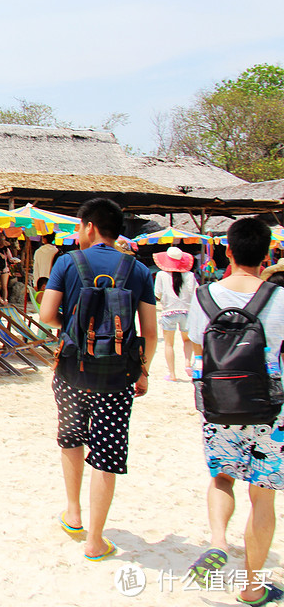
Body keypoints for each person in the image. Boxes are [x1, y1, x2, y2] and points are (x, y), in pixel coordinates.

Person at [38, 197, 157, 561]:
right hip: (118, 377)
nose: (78, 232)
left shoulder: (67, 263)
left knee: (71, 438)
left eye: (78, 226)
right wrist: (144, 371)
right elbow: (149, 331)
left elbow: (46, 314)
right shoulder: (138, 270)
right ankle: (96, 540)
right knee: (106, 454)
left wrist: (73, 330)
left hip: (72, 371)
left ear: (90, 226)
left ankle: (73, 513)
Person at [184, 218, 284, 605]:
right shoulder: (279, 298)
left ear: (227, 251)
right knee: (262, 497)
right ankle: (253, 587)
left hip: (219, 408)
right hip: (269, 411)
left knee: (222, 479)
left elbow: (196, 346)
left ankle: (218, 541)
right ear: (267, 254)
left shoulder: (205, 296)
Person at [153, 246, 196, 382]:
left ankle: (172, 374)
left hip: (168, 312)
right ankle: (188, 363)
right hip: (187, 311)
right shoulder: (189, 275)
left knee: (169, 344)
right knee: (187, 340)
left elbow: (157, 294)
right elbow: (195, 292)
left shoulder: (161, 275)